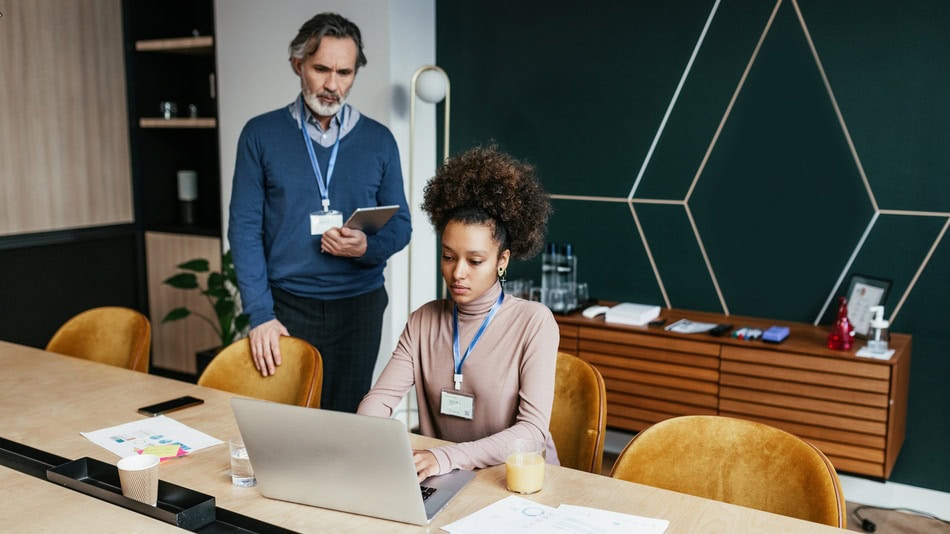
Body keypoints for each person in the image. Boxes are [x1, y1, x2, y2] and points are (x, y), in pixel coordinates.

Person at [228, 12, 411, 413]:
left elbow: (401, 226)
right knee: (287, 425)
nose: (332, 85)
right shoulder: (260, 135)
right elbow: (243, 229)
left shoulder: (380, 140)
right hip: (286, 307)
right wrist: (260, 314)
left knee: (348, 422)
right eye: (321, 69)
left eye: (344, 72)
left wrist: (365, 246)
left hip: (359, 308)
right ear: (298, 65)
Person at [358, 144, 560, 481]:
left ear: (503, 261)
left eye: (475, 261)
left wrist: (447, 457)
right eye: (449, 257)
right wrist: (369, 436)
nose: (458, 272)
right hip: (446, 478)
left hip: (515, 483)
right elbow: (378, 401)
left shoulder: (534, 323)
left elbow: (531, 434)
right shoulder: (423, 320)